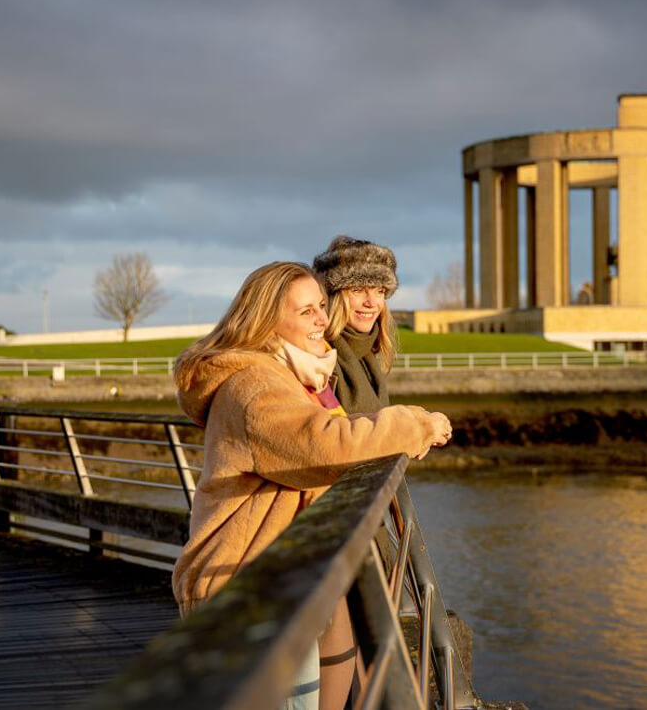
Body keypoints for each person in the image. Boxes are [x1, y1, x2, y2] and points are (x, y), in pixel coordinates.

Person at [171, 261, 451, 710]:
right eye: (307, 312)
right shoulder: (255, 386)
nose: (323, 319)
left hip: (283, 572)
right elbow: (323, 443)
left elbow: (318, 431)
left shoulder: (283, 375)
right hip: (249, 587)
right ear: (265, 319)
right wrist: (412, 424)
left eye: (321, 306)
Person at [312, 236, 398, 414]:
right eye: (358, 290)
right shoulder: (316, 358)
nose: (372, 303)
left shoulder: (367, 356)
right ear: (333, 297)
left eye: (380, 291)